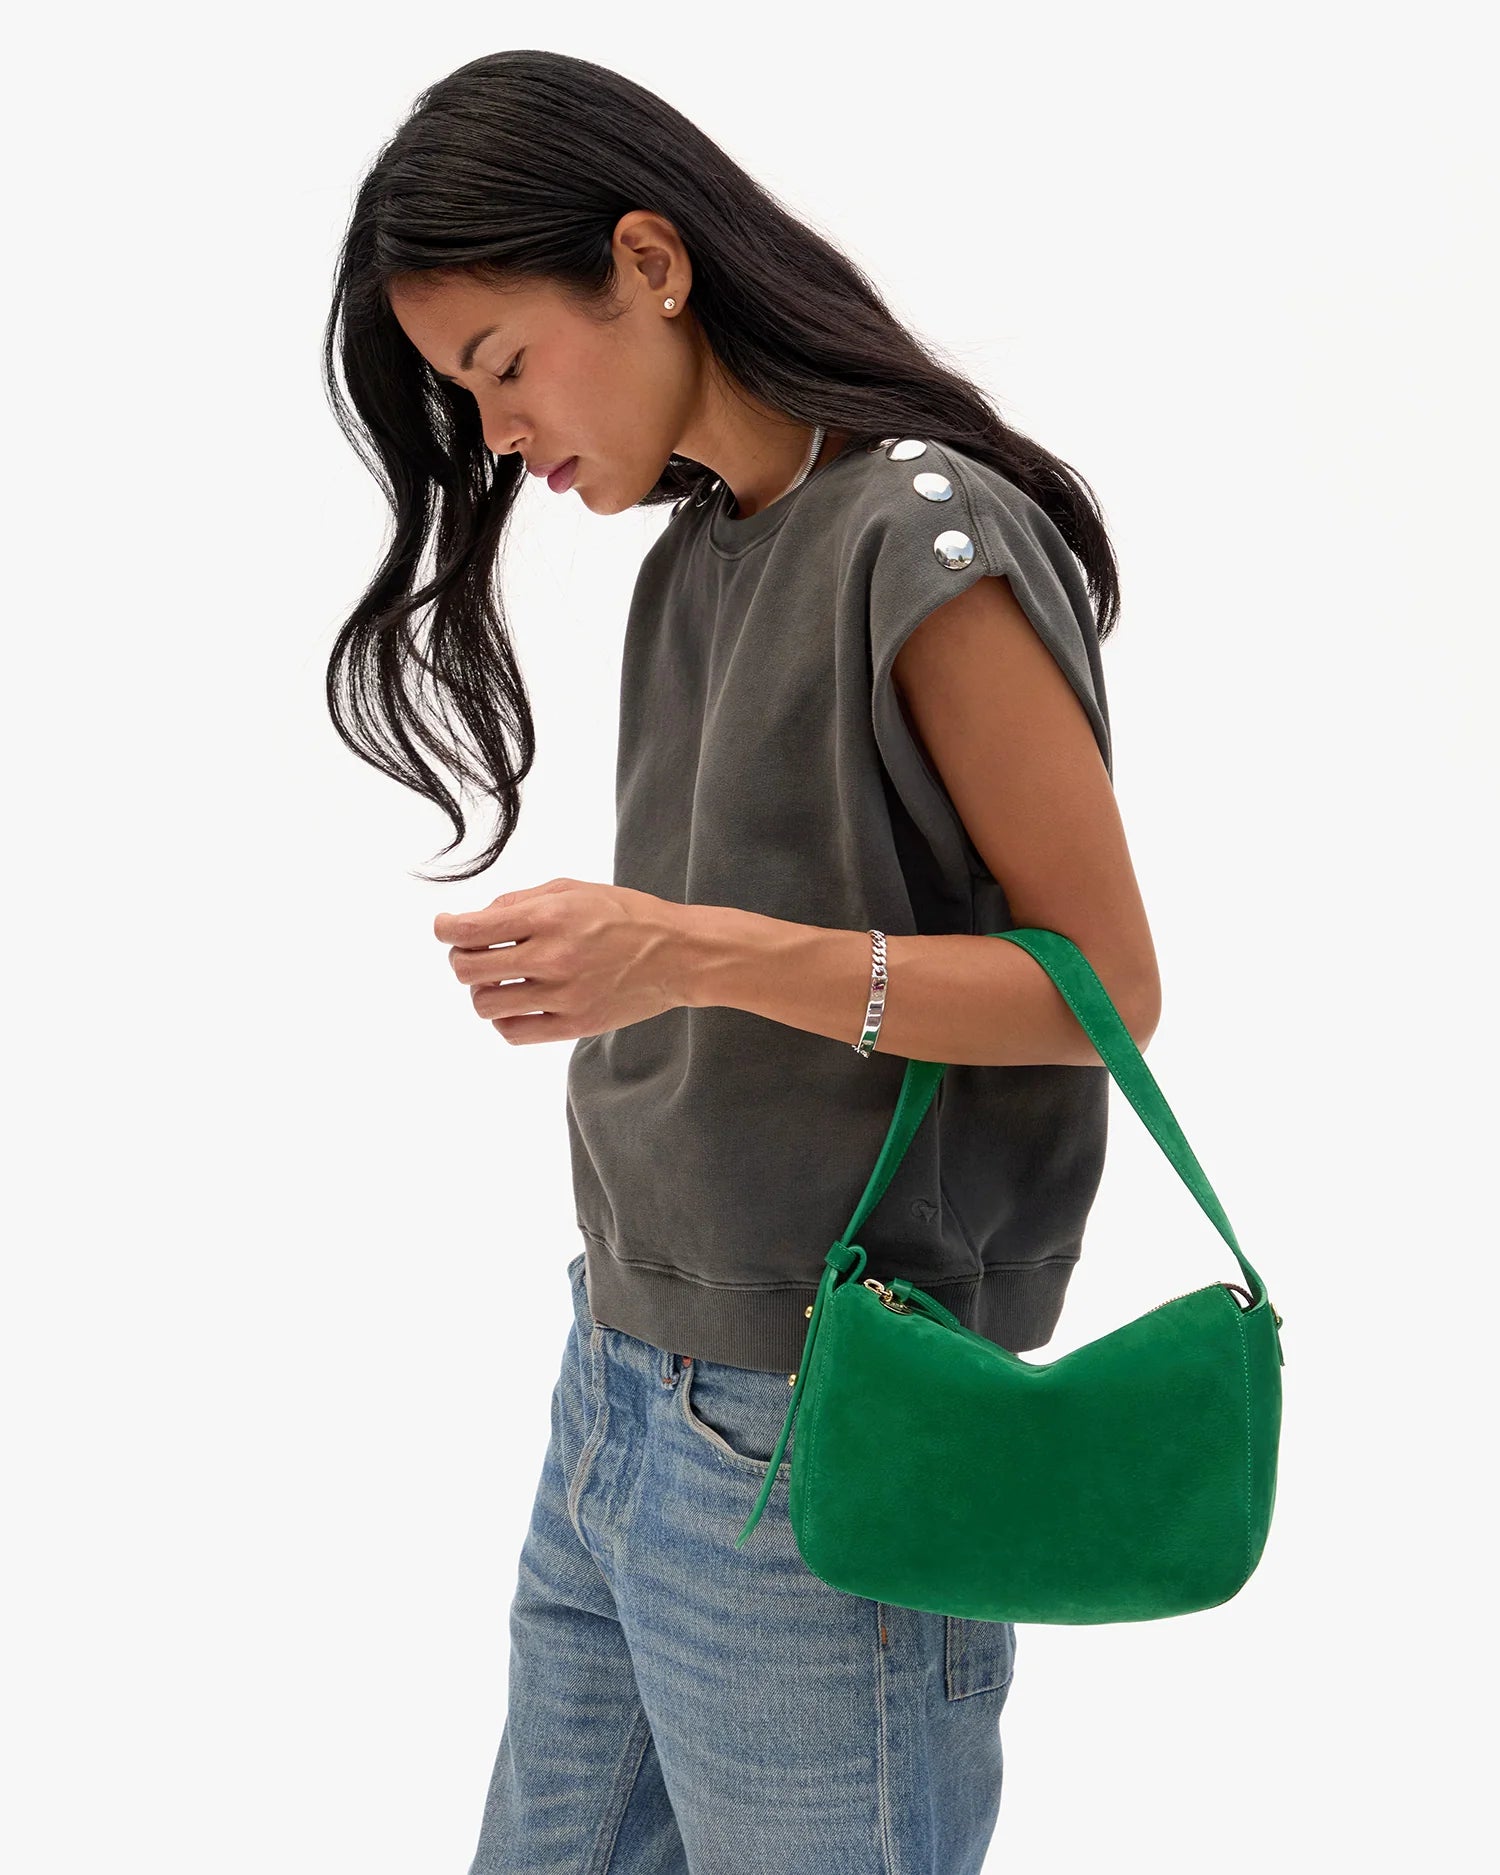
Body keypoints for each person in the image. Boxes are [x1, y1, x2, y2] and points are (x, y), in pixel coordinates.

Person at [324, 47, 1161, 1875]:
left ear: (648, 260)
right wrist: (644, 966)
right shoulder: (701, 560)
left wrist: (685, 949)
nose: (498, 443)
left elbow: (1104, 992)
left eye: (501, 369)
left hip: (827, 1419)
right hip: (626, 1363)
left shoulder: (921, 534)